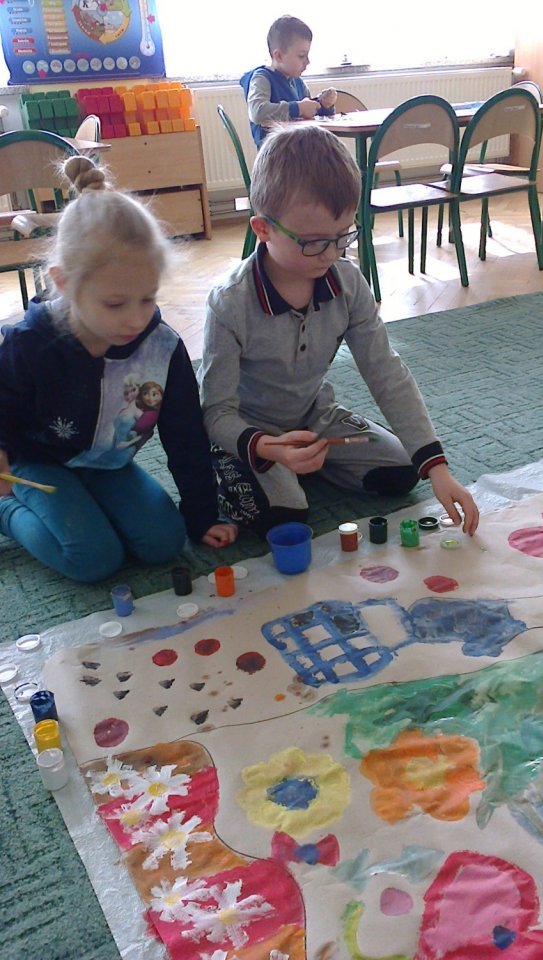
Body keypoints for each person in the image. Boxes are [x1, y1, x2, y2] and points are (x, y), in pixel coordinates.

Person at [199, 123, 480, 540]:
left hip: (315, 417)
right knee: (286, 518)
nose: (330, 254)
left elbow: (386, 371)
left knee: (404, 470)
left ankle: (304, 466)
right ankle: (244, 468)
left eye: (342, 236)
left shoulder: (347, 282)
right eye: (313, 242)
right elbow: (215, 411)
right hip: (250, 430)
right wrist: (262, 446)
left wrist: (436, 466)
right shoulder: (229, 303)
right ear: (263, 229)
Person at [0, 156, 237, 583]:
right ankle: (5, 510)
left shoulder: (162, 347)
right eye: (115, 304)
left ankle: (87, 503)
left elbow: (185, 434)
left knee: (164, 542)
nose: (136, 319)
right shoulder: (29, 343)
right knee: (93, 558)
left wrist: (202, 514)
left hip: (105, 462)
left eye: (147, 298)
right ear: (65, 283)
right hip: (38, 463)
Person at [240, 14, 337, 148]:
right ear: (279, 56)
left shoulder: (299, 83)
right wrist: (298, 108)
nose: (308, 61)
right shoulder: (262, 78)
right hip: (275, 154)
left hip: (299, 151)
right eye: (301, 56)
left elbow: (308, 118)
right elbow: (257, 113)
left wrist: (323, 106)